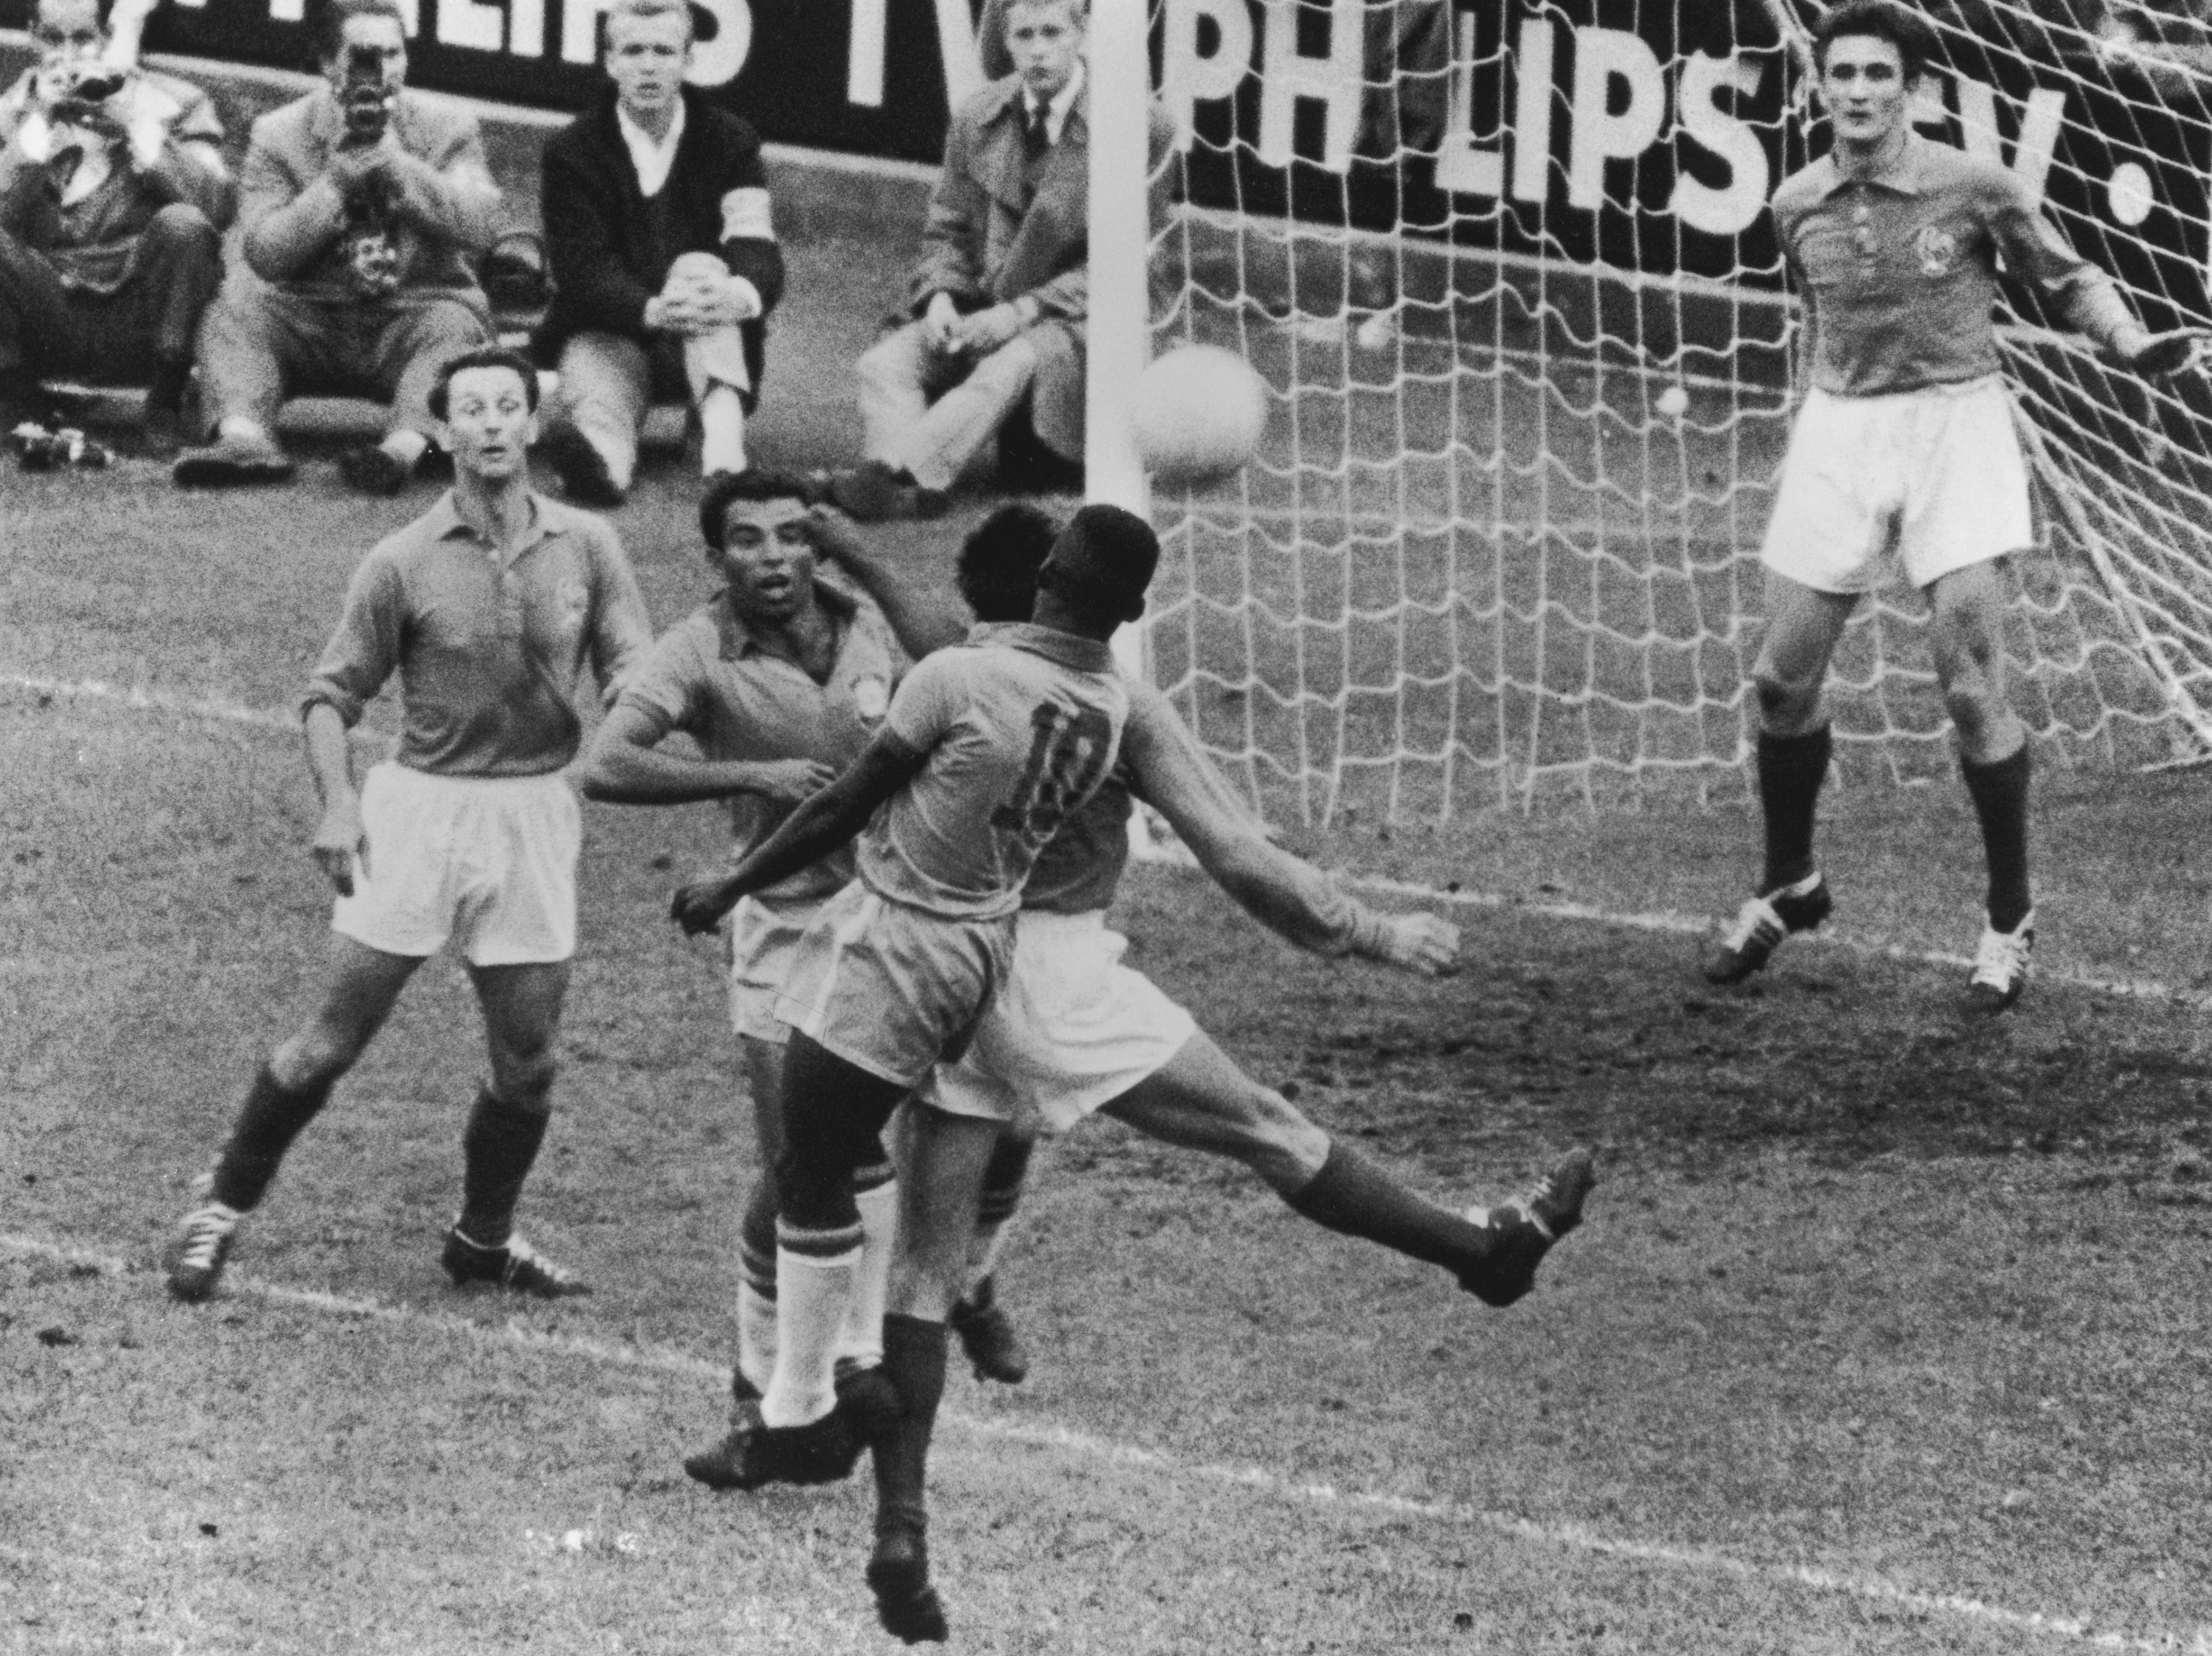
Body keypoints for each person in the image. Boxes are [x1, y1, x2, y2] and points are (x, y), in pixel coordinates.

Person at [755, 501, 1595, 1645]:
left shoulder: (960, 671)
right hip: (1044, 970)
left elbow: (922, 630)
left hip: (938, 969)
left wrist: (852, 549)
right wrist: (1369, 930)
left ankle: (900, 1526)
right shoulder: (1116, 702)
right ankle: (1482, 1251)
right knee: (1268, 1127)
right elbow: (1239, 853)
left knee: (922, 1270)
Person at [1703, 0, 2202, 1012]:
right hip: (1841, 429)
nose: (1856, 91)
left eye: (1877, 75)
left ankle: (2008, 916)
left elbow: (2065, 280)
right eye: (1840, 73)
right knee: (1776, 685)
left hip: (1957, 429)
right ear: (1817, 85)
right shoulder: (1794, 202)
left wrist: (2128, 344)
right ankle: (1789, 880)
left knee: (1970, 688)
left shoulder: (1974, 186)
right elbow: (1823, 324)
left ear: (1913, 90)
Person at [662, 508, 1152, 1536]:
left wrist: (732, 877)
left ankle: (814, 1395)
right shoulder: (1104, 699)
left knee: (816, 1166)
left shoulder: (956, 677)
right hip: (966, 945)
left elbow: (851, 793)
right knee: (945, 1141)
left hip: (893, 938)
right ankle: (900, 1331)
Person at [162, 345, 652, 1304]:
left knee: (530, 1066)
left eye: (509, 406)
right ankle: (217, 1210)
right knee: (329, 1041)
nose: (493, 424)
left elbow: (632, 662)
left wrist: (633, 719)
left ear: (533, 424)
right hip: (421, 814)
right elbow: (327, 696)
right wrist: (341, 803)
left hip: (536, 818)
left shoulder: (589, 545)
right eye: (471, 409)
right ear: (444, 429)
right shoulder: (401, 560)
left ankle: (482, 1238)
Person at [572, 469, 914, 1439]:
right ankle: (756, 1376)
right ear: (716, 557)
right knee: (796, 1160)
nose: (776, 559)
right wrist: (750, 771)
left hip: (889, 914)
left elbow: (950, 658)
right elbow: (606, 763)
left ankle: (851, 1355)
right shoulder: (696, 648)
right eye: (751, 541)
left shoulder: (865, 618)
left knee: (863, 1147)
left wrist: (870, 560)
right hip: (784, 923)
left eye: (793, 538)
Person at [828, 0, 1173, 520]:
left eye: (1052, 33)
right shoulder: (977, 115)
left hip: (1082, 322)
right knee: (885, 362)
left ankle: (911, 472)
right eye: (1025, 35)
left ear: (1082, 34)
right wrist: (943, 297)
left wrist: (1019, 313)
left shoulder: (1138, 123)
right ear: (1005, 43)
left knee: (1011, 361)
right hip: (986, 307)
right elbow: (946, 229)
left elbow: (1127, 268)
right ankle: (895, 484)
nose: (1038, 50)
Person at [172, 0, 501, 495]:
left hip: (412, 312)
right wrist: (332, 187)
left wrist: (401, 168)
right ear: (329, 64)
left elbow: (481, 226)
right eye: (364, 56)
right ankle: (244, 440)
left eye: (393, 53)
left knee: (457, 329)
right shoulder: (279, 134)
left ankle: (401, 451)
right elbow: (263, 253)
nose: (382, 71)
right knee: (232, 315)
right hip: (305, 314)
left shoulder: (449, 129)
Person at [535, 0, 784, 507]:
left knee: (703, 270)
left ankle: (722, 450)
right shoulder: (571, 150)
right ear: (610, 62)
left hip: (705, 333)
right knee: (601, 412)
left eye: (664, 51)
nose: (648, 65)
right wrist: (652, 310)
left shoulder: (731, 140)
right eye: (633, 50)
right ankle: (602, 471)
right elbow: (582, 271)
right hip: (612, 331)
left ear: (689, 60)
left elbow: (755, 245)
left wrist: (738, 295)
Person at [0, 0, 234, 452]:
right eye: (53, 39)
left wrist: (134, 124)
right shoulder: (10, 112)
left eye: (84, 38)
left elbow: (216, 208)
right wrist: (39, 122)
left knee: (184, 225)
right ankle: (16, 396)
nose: (68, 54)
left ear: (107, 38)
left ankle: (165, 401)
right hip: (47, 309)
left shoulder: (176, 103)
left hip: (141, 312)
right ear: (32, 35)